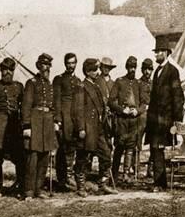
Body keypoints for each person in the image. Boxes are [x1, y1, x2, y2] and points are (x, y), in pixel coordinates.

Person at [72, 59, 118, 197]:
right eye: (95, 69)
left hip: (99, 128)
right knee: (83, 158)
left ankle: (103, 184)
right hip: (87, 128)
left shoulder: (96, 86)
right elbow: (78, 110)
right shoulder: (81, 86)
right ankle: (80, 187)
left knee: (106, 154)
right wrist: (81, 128)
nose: (98, 72)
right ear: (88, 71)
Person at [145, 40, 184, 192]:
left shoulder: (172, 71)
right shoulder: (157, 72)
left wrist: (177, 119)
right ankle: (159, 183)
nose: (156, 54)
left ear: (167, 52)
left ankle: (159, 183)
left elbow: (178, 95)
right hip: (155, 119)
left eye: (159, 51)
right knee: (155, 150)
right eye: (155, 52)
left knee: (158, 148)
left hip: (165, 119)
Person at [21, 53, 59, 200]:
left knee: (44, 157)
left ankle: (39, 189)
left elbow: (53, 105)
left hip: (47, 122)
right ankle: (28, 191)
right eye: (44, 65)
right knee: (33, 157)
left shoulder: (50, 85)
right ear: (38, 66)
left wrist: (56, 121)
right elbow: (26, 105)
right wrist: (27, 126)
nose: (46, 68)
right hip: (35, 120)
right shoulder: (31, 83)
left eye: (49, 65)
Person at [0, 57, 24, 197]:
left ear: (13, 71)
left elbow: (23, 105)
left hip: (14, 124)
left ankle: (20, 183)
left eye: (10, 70)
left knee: (19, 155)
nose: (7, 73)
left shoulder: (19, 86)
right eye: (4, 70)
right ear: (1, 71)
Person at [109, 56, 145, 184]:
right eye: (130, 67)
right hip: (122, 120)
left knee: (130, 147)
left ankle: (126, 174)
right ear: (126, 67)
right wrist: (121, 110)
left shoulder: (138, 83)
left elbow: (144, 103)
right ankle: (113, 174)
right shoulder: (119, 82)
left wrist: (138, 111)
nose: (132, 70)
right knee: (119, 146)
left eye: (134, 67)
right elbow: (111, 101)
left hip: (134, 120)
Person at [52, 53, 81, 191]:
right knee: (62, 147)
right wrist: (57, 119)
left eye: (73, 63)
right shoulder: (59, 79)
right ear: (65, 64)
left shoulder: (78, 81)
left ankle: (69, 176)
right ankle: (62, 178)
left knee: (72, 147)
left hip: (75, 118)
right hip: (64, 117)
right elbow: (56, 100)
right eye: (68, 63)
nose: (71, 65)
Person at [137, 58, 153, 178]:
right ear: (142, 70)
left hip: (152, 116)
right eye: (145, 69)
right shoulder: (138, 83)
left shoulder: (154, 83)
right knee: (138, 142)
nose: (147, 72)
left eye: (150, 69)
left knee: (153, 142)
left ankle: (150, 168)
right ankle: (136, 167)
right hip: (142, 116)